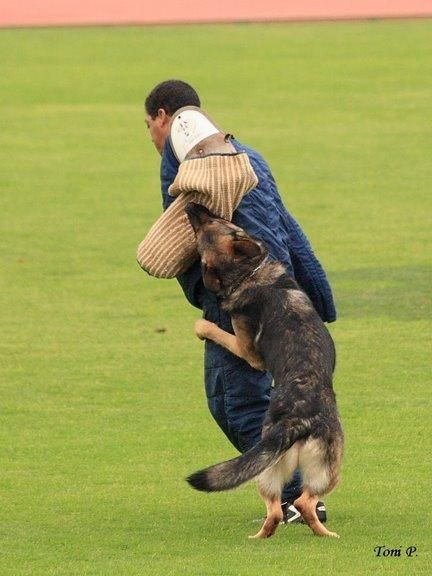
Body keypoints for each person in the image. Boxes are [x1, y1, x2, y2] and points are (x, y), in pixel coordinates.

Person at [143, 79, 336, 524]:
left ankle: (295, 497)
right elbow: (287, 227)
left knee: (236, 404)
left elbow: (181, 244)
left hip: (242, 300)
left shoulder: (179, 164)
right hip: (285, 294)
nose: (152, 137)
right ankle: (302, 491)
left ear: (163, 117)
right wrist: (316, 294)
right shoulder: (247, 155)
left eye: (148, 125)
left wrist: (206, 296)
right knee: (284, 399)